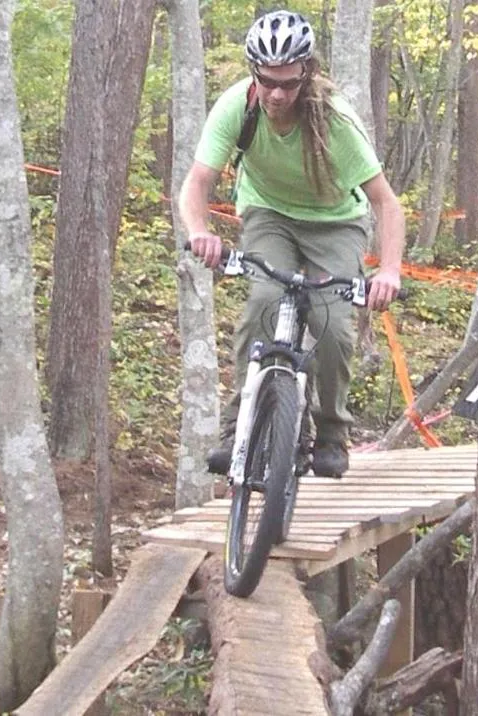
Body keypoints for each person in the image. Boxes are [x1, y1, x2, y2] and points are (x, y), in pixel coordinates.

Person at [178, 9, 406, 478]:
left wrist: (388, 271)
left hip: (335, 222)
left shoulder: (334, 122)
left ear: (307, 75)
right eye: (268, 82)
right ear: (254, 74)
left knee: (331, 323)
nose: (278, 94)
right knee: (263, 302)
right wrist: (200, 231)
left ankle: (331, 433)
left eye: (289, 83)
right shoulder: (236, 109)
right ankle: (237, 429)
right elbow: (197, 182)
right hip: (268, 214)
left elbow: (385, 202)